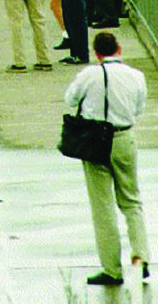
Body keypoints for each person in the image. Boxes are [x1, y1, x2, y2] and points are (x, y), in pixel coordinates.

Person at [64, 31, 149, 286]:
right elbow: (138, 109)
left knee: (103, 207)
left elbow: (70, 99)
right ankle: (141, 257)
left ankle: (112, 270)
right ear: (119, 49)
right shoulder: (137, 76)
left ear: (96, 52)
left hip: (95, 142)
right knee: (132, 201)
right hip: (125, 138)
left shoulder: (89, 74)